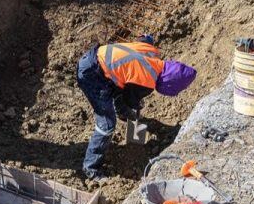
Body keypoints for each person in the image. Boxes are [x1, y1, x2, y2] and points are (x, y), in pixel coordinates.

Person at [76, 36, 196, 182]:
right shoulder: (147, 81)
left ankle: (123, 113)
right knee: (106, 124)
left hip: (95, 59)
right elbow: (130, 99)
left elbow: (144, 40)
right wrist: (135, 110)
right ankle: (91, 168)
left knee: (122, 86)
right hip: (92, 75)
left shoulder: (152, 53)